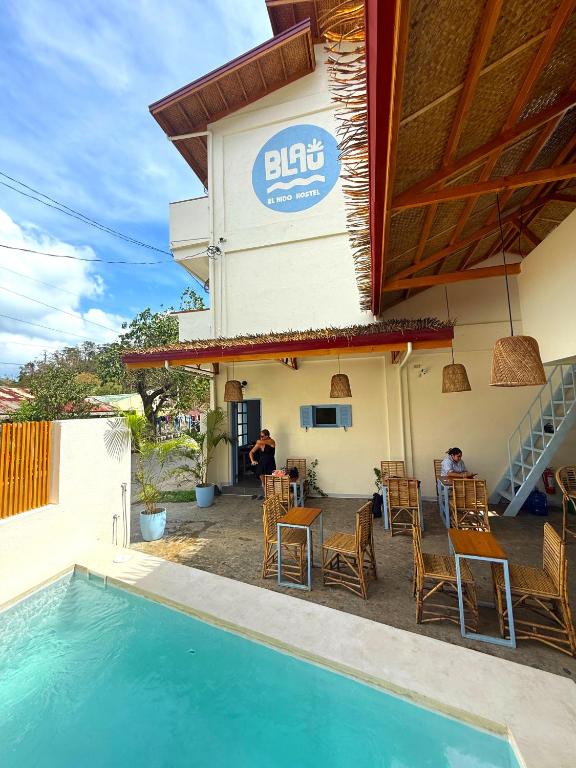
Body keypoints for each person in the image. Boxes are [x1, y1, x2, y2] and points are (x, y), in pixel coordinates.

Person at [249, 429, 276, 499]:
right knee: (264, 483)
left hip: (270, 465)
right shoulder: (260, 443)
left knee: (270, 483)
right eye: (260, 436)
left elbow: (259, 441)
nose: (261, 437)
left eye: (262, 436)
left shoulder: (272, 441)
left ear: (267, 436)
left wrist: (259, 441)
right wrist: (252, 460)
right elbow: (251, 452)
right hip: (261, 465)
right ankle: (267, 499)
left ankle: (272, 499)